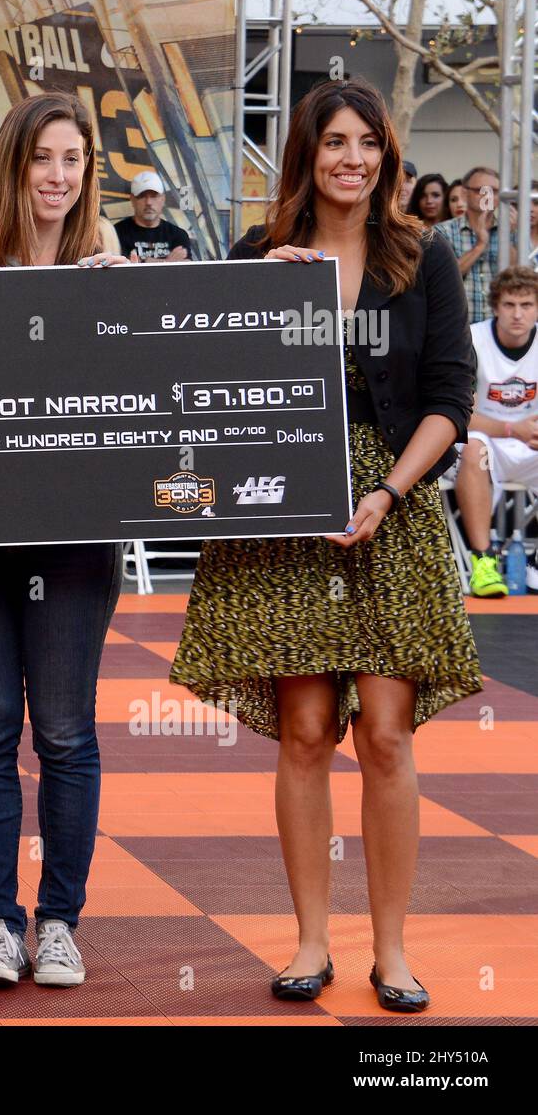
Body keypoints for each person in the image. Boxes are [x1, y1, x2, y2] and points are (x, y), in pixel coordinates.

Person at [170, 79, 482, 1015]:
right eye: (334, 141)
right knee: (306, 733)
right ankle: (310, 942)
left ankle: (391, 950)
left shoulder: (423, 258)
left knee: (387, 736)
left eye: (369, 142)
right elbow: (203, 374)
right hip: (283, 513)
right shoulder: (257, 255)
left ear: (387, 155)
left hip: (393, 504)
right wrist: (252, 293)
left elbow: (450, 395)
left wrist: (389, 492)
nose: (353, 158)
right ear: (305, 154)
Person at [0, 92, 130, 989]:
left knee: (65, 731)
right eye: (43, 158)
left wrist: (121, 309)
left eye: (73, 160)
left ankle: (60, 922)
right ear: (13, 165)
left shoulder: (110, 265)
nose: (58, 176)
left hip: (77, 535)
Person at [447, 266, 538, 596]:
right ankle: (483, 560)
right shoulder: (472, 340)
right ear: (495, 307)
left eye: (526, 305)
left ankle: (535, 563)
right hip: (485, 437)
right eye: (510, 305)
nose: (517, 314)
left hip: (528, 441)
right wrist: (512, 429)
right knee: (475, 448)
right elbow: (458, 412)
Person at [436, 165, 500, 323]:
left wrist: (511, 233)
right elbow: (442, 279)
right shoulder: (442, 232)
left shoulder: (511, 231)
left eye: (494, 191)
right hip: (459, 330)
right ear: (464, 194)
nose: (488, 196)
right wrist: (480, 245)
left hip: (500, 333)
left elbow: (517, 276)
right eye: (480, 190)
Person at [113, 170, 194, 261]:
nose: (148, 202)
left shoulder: (178, 235)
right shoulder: (116, 233)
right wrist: (167, 262)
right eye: (142, 196)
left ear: (163, 199)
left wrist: (143, 262)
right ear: (132, 199)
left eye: (154, 196)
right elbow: (121, 268)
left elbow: (186, 269)